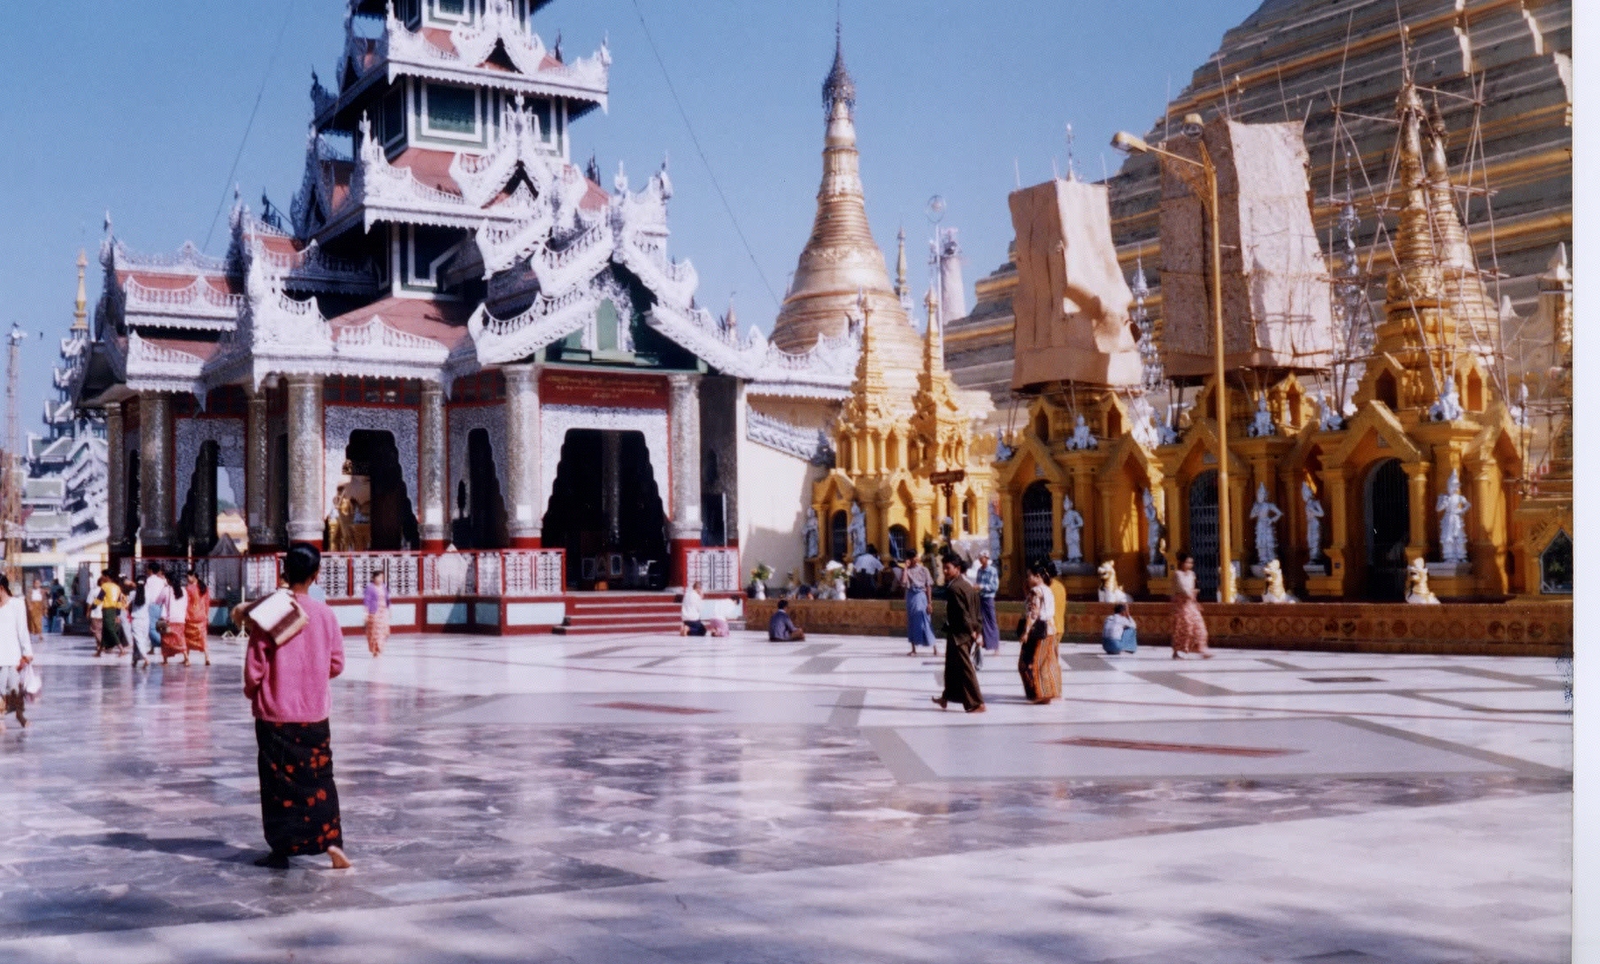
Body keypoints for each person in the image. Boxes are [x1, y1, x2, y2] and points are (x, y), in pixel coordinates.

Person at [244, 542, 350, 871]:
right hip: (315, 714)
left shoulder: (271, 613)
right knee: (320, 779)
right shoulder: (326, 614)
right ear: (316, 575)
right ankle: (332, 843)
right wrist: (314, 676)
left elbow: (254, 667)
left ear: (284, 571)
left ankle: (281, 850)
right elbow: (337, 664)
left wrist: (253, 691)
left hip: (275, 714)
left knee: (278, 786)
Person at [932, 553, 984, 713]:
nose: (945, 571)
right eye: (944, 568)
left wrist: (972, 632)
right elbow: (976, 610)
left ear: (958, 568)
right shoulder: (968, 585)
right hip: (961, 633)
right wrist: (978, 630)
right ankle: (946, 697)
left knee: (965, 668)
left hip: (960, 634)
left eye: (948, 568)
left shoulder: (954, 588)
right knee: (952, 667)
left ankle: (977, 703)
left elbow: (964, 614)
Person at [1018, 564, 1062, 704]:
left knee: (1028, 663)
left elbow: (1033, 613)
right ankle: (1049, 692)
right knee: (1046, 662)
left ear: (1038, 576)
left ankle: (1038, 694)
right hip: (1050, 629)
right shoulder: (1048, 590)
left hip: (1037, 630)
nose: (1027, 578)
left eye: (1029, 575)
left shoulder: (1036, 591)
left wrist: (1025, 632)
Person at [0, 576, 34, 730]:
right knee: (0, 689)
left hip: (13, 655)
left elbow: (22, 630)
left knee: (14, 689)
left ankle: (19, 715)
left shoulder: (17, 605)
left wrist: (27, 652)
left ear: (2, 588)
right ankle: (0, 720)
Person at [1170, 552, 1213, 660]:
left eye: (1191, 563)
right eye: (1187, 562)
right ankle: (1178, 651)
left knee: (1199, 626)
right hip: (1181, 605)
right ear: (1182, 563)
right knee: (1184, 627)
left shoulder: (1192, 574)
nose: (1189, 565)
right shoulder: (1177, 574)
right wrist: (1189, 593)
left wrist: (1194, 598)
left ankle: (1201, 648)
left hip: (1191, 604)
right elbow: (1182, 588)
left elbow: (1192, 588)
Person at [898, 555, 936, 656]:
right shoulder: (907, 570)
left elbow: (928, 586)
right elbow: (903, 582)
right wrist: (905, 568)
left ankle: (934, 647)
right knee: (912, 621)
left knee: (926, 620)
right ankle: (913, 648)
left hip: (921, 595)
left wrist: (929, 602)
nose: (915, 559)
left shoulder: (924, 569)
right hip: (911, 596)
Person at [91, 571, 126, 658]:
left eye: (103, 576)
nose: (102, 577)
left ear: (107, 576)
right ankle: (99, 652)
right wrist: (118, 614)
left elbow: (100, 597)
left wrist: (93, 606)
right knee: (105, 631)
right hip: (114, 610)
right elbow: (119, 602)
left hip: (107, 610)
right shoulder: (117, 587)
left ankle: (121, 649)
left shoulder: (105, 586)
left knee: (110, 630)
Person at [972, 550, 1000, 656]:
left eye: (982, 557)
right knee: (981, 620)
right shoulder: (979, 570)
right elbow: (978, 582)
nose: (980, 559)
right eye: (979, 557)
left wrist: (982, 586)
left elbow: (994, 586)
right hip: (980, 597)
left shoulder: (992, 571)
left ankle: (996, 645)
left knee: (992, 621)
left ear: (987, 558)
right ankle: (985, 643)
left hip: (989, 598)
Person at [144, 564, 173, 661]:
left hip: (152, 605)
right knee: (160, 627)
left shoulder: (149, 580)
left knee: (151, 627)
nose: (146, 570)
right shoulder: (162, 581)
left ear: (151, 570)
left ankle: (162, 644)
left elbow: (147, 594)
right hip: (161, 605)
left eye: (147, 569)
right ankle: (153, 648)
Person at [162, 566, 189, 665]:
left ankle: (165, 660)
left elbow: (157, 600)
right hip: (181, 619)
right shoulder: (184, 590)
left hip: (169, 619)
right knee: (180, 638)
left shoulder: (166, 590)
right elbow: (186, 604)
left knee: (165, 639)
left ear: (168, 580)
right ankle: (186, 658)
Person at [185, 572, 212, 667]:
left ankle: (187, 658)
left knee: (188, 637)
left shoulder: (189, 588)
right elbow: (207, 602)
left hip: (191, 615)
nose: (187, 578)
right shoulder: (204, 588)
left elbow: (186, 603)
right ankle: (207, 657)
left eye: (188, 576)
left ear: (194, 577)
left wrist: (186, 614)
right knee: (203, 637)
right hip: (202, 616)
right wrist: (207, 615)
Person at [362, 570, 390, 656]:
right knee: (375, 632)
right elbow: (367, 600)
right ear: (374, 578)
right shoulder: (370, 588)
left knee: (384, 631)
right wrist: (366, 612)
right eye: (379, 577)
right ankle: (375, 650)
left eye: (382, 577)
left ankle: (380, 647)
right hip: (374, 612)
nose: (381, 579)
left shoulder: (384, 587)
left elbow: (388, 599)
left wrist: (389, 609)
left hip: (383, 611)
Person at [126, 579, 151, 669]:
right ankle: (135, 659)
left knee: (138, 640)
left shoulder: (132, 594)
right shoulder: (148, 593)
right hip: (146, 619)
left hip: (136, 619)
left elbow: (127, 605)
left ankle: (145, 658)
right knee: (143, 640)